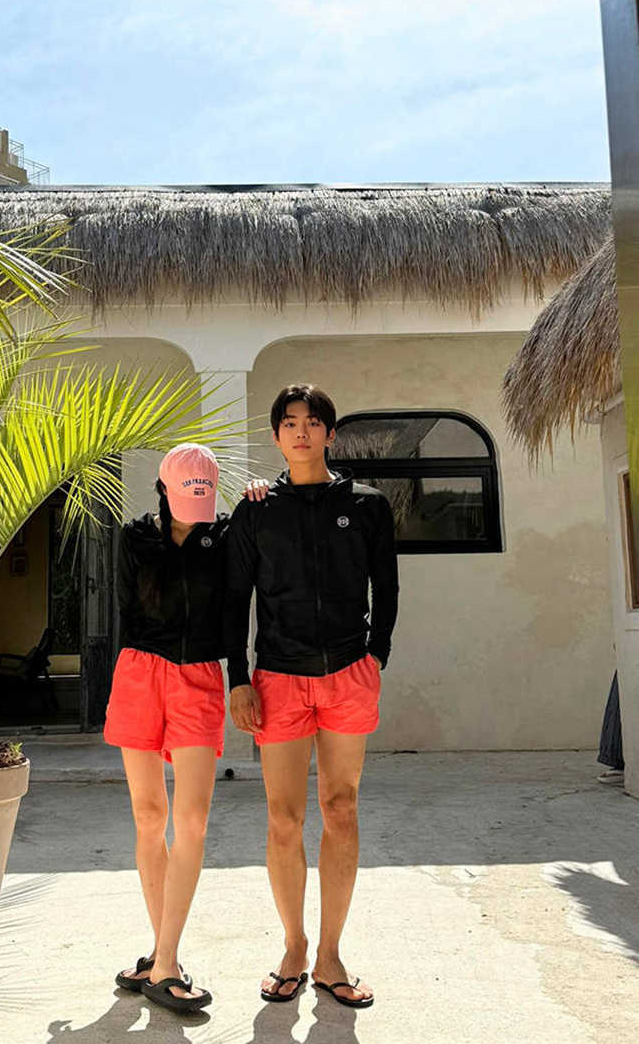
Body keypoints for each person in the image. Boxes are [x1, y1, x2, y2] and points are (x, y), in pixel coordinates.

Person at [225, 384, 399, 1008]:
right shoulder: (255, 510)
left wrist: (376, 655)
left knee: (341, 807)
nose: (301, 432)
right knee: (283, 817)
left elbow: (387, 585)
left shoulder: (367, 505)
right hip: (278, 677)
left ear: (329, 432)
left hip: (349, 673)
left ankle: (330, 955)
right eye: (290, 423)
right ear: (276, 436)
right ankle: (295, 946)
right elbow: (234, 600)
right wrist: (238, 677)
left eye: (313, 421)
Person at [103, 443, 227, 1015]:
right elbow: (127, 610)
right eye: (184, 498)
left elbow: (234, 608)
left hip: (199, 676)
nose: (194, 513)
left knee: (191, 821)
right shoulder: (135, 537)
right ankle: (162, 958)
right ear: (163, 489)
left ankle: (166, 961)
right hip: (139, 672)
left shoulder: (223, 536)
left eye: (203, 499)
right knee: (149, 816)